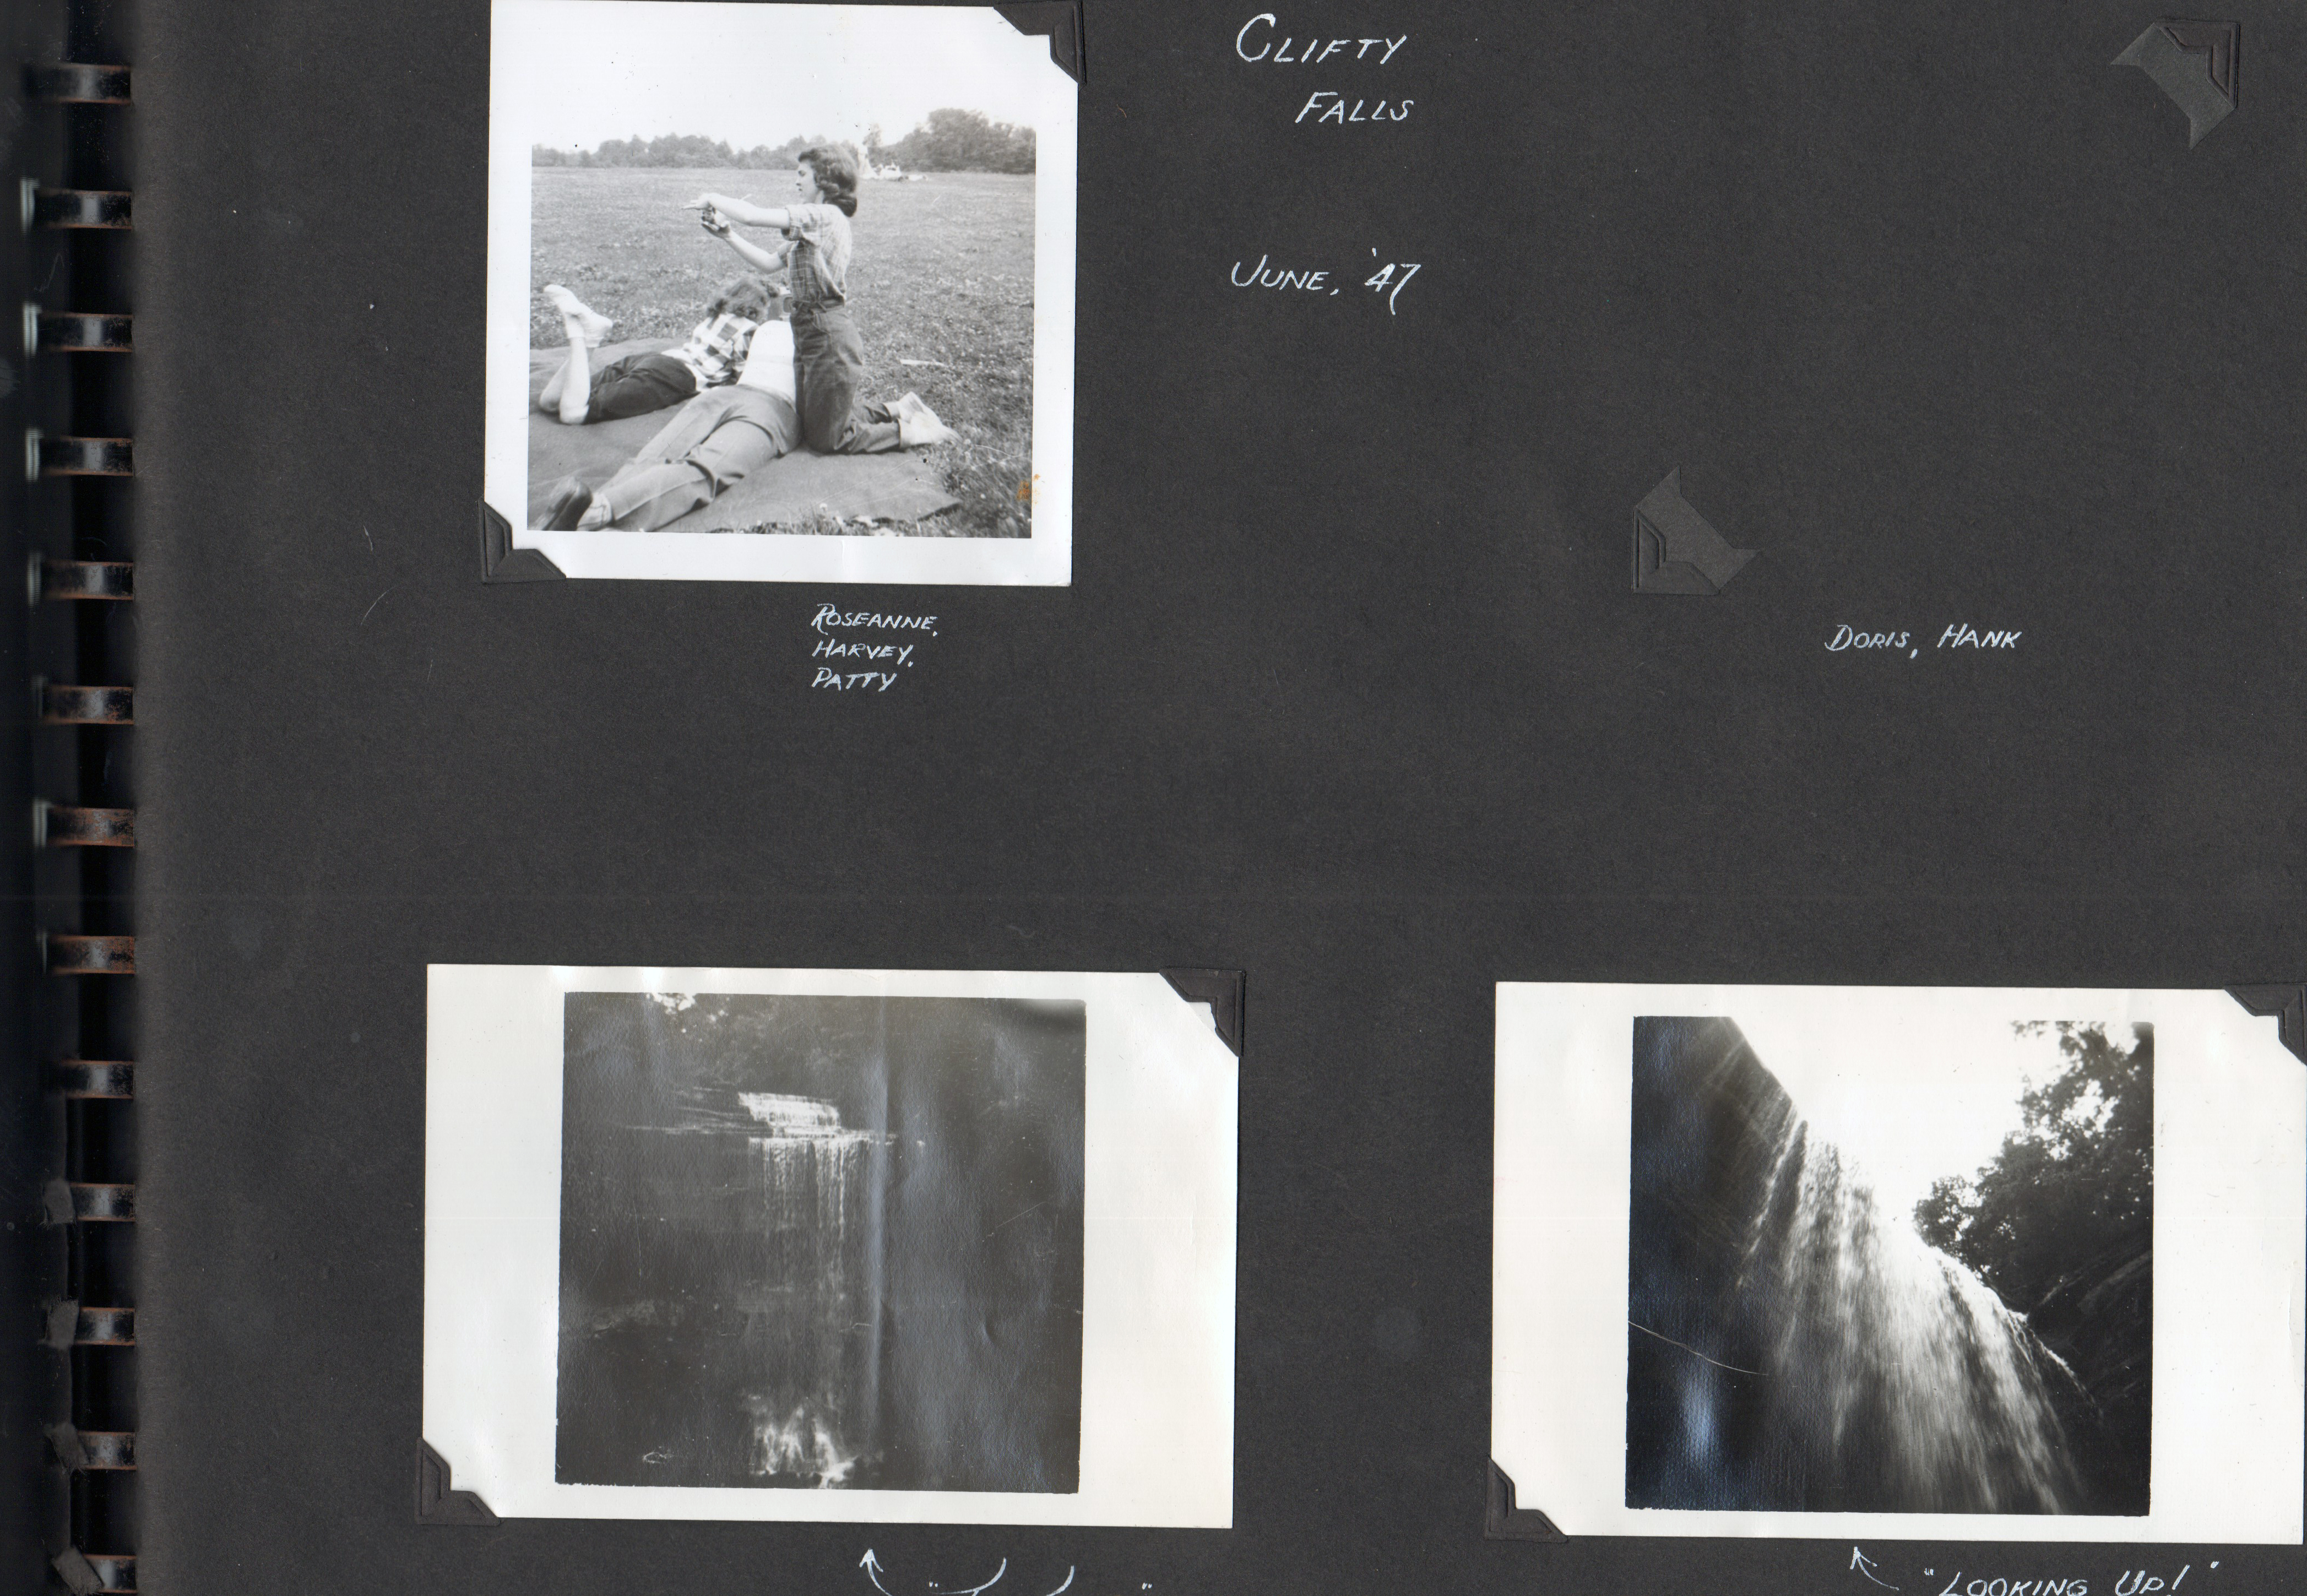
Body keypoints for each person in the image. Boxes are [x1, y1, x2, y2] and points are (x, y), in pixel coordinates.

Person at [694, 146, 957, 453]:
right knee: (812, 423)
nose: (797, 182)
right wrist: (727, 235)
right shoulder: (814, 225)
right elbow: (767, 262)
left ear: (824, 178)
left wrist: (711, 196)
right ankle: (900, 408)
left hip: (828, 334)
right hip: (809, 328)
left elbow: (752, 216)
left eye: (802, 174)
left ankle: (915, 431)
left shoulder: (824, 216)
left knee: (828, 439)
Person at [537, 286, 806, 532]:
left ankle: (590, 509)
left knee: (655, 454)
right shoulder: (759, 332)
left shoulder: (722, 317)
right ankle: (598, 513)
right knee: (703, 469)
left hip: (668, 363)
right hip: (694, 380)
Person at [534, 276, 772, 426]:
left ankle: (586, 338)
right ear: (759, 307)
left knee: (552, 401)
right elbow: (743, 377)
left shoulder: (717, 315)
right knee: (573, 414)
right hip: (674, 376)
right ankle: (585, 335)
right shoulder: (750, 330)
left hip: (657, 359)